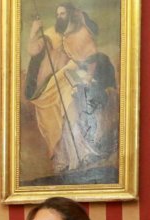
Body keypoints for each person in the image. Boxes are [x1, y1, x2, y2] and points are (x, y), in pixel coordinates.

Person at [24, 4, 118, 180]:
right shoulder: (52, 33)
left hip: (75, 79)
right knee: (57, 120)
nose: (60, 17)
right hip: (56, 82)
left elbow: (91, 58)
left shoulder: (82, 33)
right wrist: (34, 31)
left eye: (63, 13)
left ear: (71, 15)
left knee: (72, 112)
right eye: (57, 14)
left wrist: (88, 77)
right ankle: (64, 160)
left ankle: (82, 154)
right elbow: (33, 50)